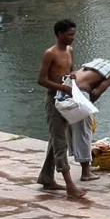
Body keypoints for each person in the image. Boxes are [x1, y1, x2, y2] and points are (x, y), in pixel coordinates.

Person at [36, 19, 86, 198]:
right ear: (59, 34)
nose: (73, 38)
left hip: (66, 99)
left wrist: (72, 78)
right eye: (69, 34)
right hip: (54, 100)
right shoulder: (50, 53)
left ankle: (46, 178)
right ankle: (70, 185)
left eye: (74, 34)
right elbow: (41, 79)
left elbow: (69, 73)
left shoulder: (70, 51)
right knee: (60, 143)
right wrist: (61, 87)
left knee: (56, 139)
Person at [68, 54, 110, 180]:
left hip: (67, 88)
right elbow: (96, 92)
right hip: (80, 94)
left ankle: (85, 165)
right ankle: (85, 173)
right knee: (84, 133)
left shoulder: (99, 61)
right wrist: (88, 107)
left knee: (73, 130)